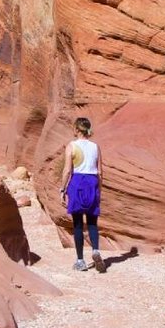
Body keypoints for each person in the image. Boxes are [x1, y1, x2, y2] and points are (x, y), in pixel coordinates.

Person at [61, 116, 105, 272]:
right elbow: (100, 171)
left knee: (78, 224)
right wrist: (99, 189)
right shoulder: (95, 146)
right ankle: (96, 251)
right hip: (92, 183)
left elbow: (67, 170)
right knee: (93, 223)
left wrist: (62, 188)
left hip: (78, 182)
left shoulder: (72, 146)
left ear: (77, 129)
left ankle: (80, 261)